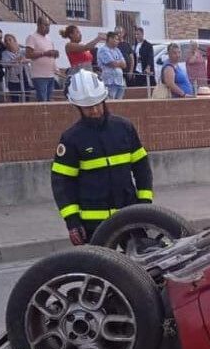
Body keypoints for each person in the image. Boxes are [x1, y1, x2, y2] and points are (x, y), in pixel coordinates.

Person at [51, 69, 153, 244]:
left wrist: (144, 203)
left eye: (98, 104)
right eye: (88, 107)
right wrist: (72, 222)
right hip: (93, 224)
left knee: (142, 263)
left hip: (129, 215)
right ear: (77, 107)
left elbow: (142, 168)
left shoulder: (124, 128)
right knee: (98, 269)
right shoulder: (71, 139)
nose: (95, 110)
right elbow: (62, 183)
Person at [25, 16, 59, 101]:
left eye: (48, 25)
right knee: (42, 100)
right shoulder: (32, 37)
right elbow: (28, 54)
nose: (48, 27)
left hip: (50, 75)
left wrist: (54, 54)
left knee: (49, 99)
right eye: (45, 25)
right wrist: (45, 53)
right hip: (39, 76)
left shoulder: (49, 39)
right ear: (38, 25)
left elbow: (51, 56)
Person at [0, 34, 32, 102]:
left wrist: (24, 60)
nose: (8, 42)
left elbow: (32, 58)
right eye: (6, 41)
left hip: (25, 78)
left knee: (26, 98)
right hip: (13, 80)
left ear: (15, 41)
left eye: (9, 40)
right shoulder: (5, 53)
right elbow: (4, 64)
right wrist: (16, 60)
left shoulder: (23, 51)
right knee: (15, 99)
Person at [97, 31, 127, 100]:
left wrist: (117, 63)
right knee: (111, 102)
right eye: (116, 39)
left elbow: (124, 65)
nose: (118, 41)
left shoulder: (117, 50)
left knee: (119, 103)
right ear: (110, 39)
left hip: (120, 81)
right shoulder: (103, 50)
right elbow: (112, 63)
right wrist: (119, 63)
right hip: (110, 82)